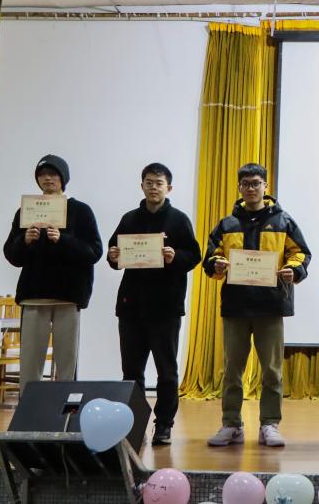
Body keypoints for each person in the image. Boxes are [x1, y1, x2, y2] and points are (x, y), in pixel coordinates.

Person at [203, 163, 311, 448]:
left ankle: (269, 424)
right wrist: (217, 264)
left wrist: (293, 270)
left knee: (272, 371)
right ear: (239, 187)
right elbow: (211, 257)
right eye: (246, 184)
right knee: (232, 370)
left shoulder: (283, 221)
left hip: (270, 306)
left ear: (266, 186)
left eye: (255, 183)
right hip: (236, 306)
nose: (251, 188)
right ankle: (232, 424)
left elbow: (301, 253)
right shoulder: (227, 223)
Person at [107, 162, 202, 446]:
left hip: (166, 307)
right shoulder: (129, 219)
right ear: (142, 186)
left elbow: (194, 256)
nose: (153, 187)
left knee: (166, 371)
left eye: (159, 183)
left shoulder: (179, 220)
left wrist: (176, 257)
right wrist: (113, 256)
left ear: (168, 188)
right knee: (131, 372)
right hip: (131, 307)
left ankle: (164, 425)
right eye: (149, 182)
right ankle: (133, 424)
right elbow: (113, 254)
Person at [3, 154, 102, 389]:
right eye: (42, 175)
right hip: (34, 296)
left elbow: (94, 252)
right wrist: (24, 241)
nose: (47, 178)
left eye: (53, 174)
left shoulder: (80, 211)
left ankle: (67, 409)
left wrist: (63, 239)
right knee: (30, 363)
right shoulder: (26, 212)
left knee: (67, 364)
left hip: (68, 296)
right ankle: (29, 409)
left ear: (63, 178)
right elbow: (11, 255)